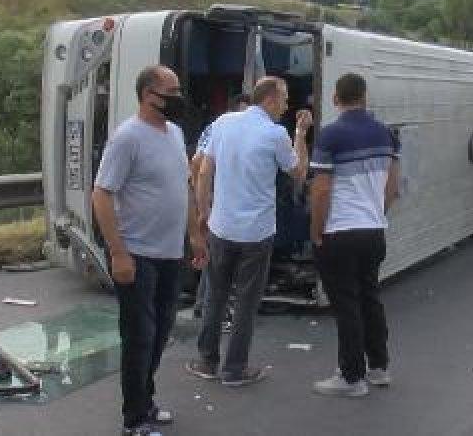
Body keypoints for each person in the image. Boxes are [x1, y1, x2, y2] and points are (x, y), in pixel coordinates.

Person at [92, 65, 204, 436]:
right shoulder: (127, 138)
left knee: (159, 333)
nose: (177, 98)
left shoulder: (174, 133)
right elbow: (102, 195)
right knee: (139, 337)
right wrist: (118, 253)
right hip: (137, 254)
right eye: (170, 91)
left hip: (170, 254)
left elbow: (184, 188)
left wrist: (195, 235)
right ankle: (134, 419)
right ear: (148, 95)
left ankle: (146, 401)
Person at [187, 77, 311, 387]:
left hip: (222, 226)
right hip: (256, 233)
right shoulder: (276, 134)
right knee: (245, 301)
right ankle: (235, 369)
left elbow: (203, 170)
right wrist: (301, 133)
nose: (285, 106)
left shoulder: (224, 122)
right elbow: (298, 171)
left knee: (215, 294)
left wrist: (204, 213)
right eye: (283, 99)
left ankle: (206, 361)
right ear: (269, 99)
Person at [308, 73, 399, 397]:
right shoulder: (386, 134)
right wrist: (378, 213)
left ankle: (351, 377)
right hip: (373, 230)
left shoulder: (330, 136)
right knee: (369, 297)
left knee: (346, 304)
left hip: (340, 232)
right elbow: (392, 185)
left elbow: (320, 191)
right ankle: (379, 367)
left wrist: (316, 230)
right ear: (364, 96)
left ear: (336, 98)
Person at [190, 93, 250, 318]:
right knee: (219, 257)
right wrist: (204, 199)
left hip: (216, 198)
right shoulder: (220, 129)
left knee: (214, 255)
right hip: (217, 200)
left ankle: (202, 303)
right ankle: (211, 308)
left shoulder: (218, 129)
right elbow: (197, 164)